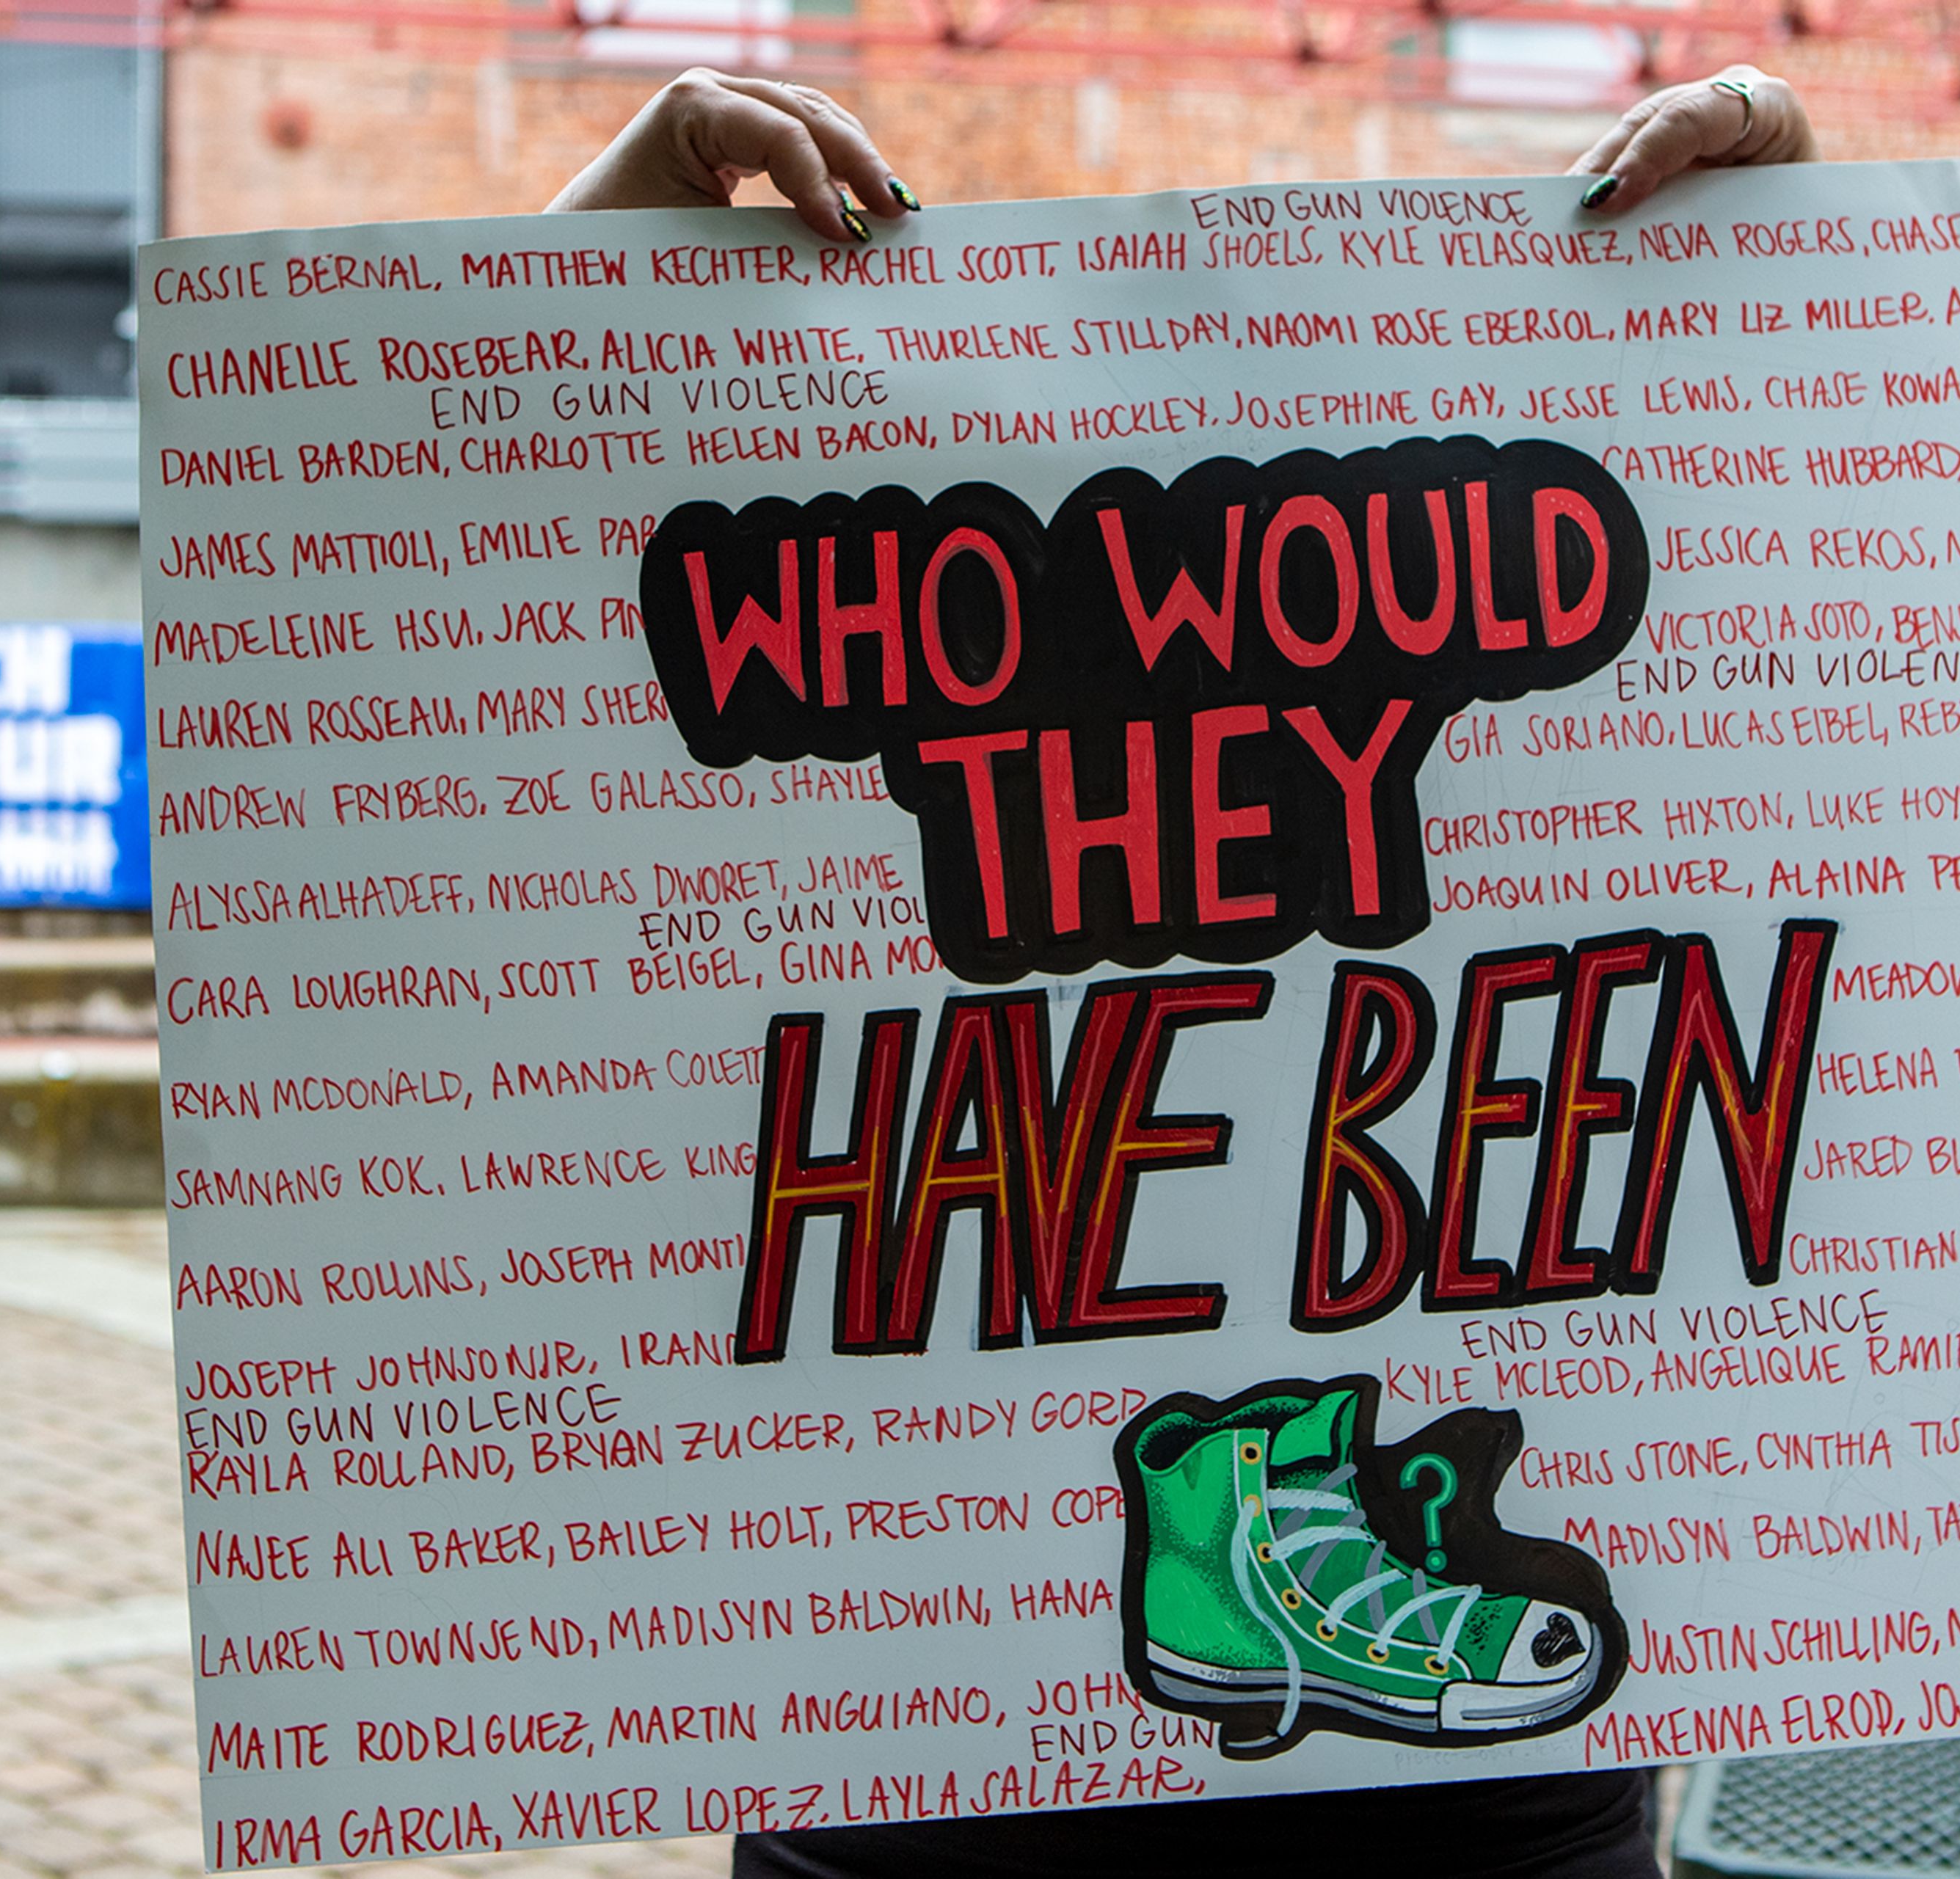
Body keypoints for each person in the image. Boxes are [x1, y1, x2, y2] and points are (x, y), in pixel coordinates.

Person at [548, 59, 1820, 1879]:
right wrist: (595, 241)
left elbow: (1824, 718)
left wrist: (1806, 252)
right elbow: (382, 637)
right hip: (920, 1772)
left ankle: (1278, 1567)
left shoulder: (1564, 742)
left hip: (1487, 1818)